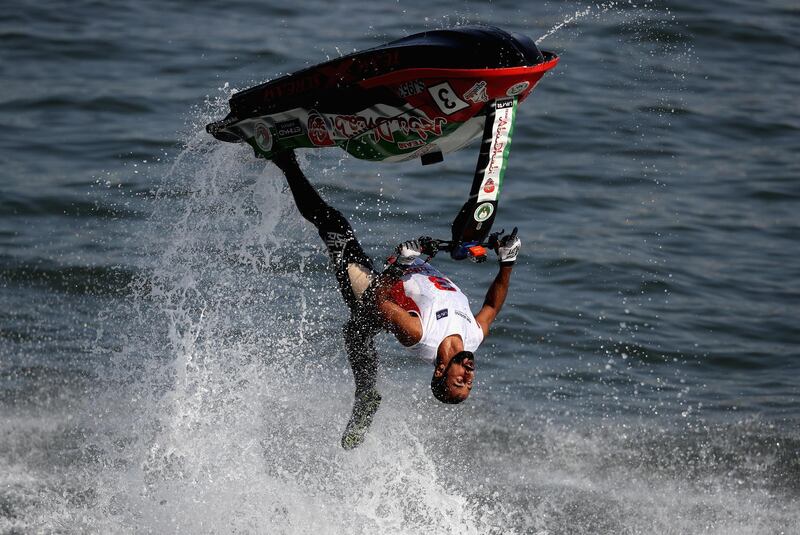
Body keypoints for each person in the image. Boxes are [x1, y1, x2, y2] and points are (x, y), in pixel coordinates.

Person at [271, 150, 520, 449]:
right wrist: (508, 261)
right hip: (392, 284)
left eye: (459, 381)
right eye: (469, 382)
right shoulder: (473, 337)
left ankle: (284, 160)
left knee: (333, 225)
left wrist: (402, 264)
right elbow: (492, 306)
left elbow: (378, 297)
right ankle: (365, 392)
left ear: (440, 371)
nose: (468, 375)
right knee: (357, 334)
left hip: (375, 295)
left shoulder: (419, 334)